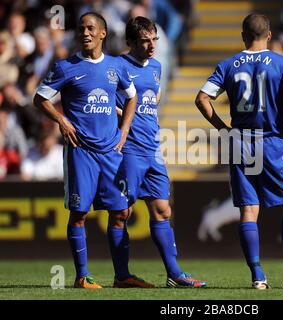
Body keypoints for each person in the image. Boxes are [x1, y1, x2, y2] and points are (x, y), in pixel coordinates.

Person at [195, 13, 283, 290]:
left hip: (240, 141)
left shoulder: (228, 65)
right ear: (269, 36)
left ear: (243, 36)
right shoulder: (282, 62)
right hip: (271, 141)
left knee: (248, 210)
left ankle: (257, 276)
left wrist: (223, 127)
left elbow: (202, 98)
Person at [33, 12, 143, 289]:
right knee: (79, 214)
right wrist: (62, 119)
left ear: (103, 33)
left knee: (121, 212)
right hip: (81, 151)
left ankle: (123, 276)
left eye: (91, 28)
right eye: (82, 28)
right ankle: (82, 276)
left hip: (111, 152)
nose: (85, 32)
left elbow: (132, 97)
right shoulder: (65, 67)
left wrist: (125, 130)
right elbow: (40, 98)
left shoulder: (116, 66)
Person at [115, 16, 205, 288]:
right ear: (130, 42)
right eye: (145, 41)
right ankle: (122, 275)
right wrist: (125, 120)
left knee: (163, 210)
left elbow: (152, 100)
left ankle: (174, 274)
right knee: (122, 212)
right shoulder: (117, 66)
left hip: (152, 148)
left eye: (154, 39)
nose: (152, 45)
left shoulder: (156, 66)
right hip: (128, 149)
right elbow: (106, 103)